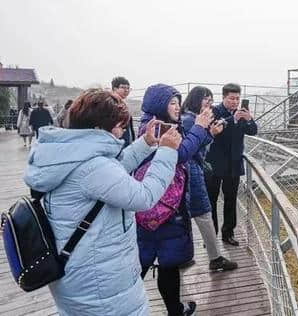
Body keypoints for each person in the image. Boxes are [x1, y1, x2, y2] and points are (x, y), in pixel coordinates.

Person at [23, 89, 181, 315]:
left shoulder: (70, 154)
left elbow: (113, 173)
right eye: (119, 126)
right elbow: (143, 196)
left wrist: (145, 143)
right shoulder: (93, 166)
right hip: (101, 284)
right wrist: (166, 152)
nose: (122, 132)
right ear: (98, 129)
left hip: (78, 271)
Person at [136, 84, 223, 316]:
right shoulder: (156, 128)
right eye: (171, 102)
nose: (176, 106)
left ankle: (175, 309)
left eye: (177, 102)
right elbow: (180, 154)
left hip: (163, 205)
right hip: (162, 207)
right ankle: (126, 306)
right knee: (144, 264)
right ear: (158, 105)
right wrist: (200, 128)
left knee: (167, 263)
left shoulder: (158, 124)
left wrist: (203, 132)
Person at [181, 86, 238, 271]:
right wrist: (211, 134)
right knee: (204, 211)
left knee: (198, 212)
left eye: (210, 99)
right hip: (196, 171)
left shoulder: (192, 118)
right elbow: (192, 148)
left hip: (207, 168)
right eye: (206, 99)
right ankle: (214, 257)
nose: (208, 103)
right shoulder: (191, 120)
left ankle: (191, 255)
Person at [205, 83, 258, 246]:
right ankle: (211, 236)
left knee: (231, 200)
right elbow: (214, 128)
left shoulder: (241, 113)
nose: (235, 102)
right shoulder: (214, 111)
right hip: (214, 163)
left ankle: (228, 233)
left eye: (237, 98)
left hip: (234, 163)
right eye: (231, 98)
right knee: (210, 200)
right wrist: (232, 119)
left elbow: (253, 131)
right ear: (223, 97)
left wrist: (249, 120)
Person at [112, 76, 136, 147]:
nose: (126, 90)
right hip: (117, 145)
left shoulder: (123, 105)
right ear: (114, 89)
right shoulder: (111, 105)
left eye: (128, 88)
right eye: (123, 87)